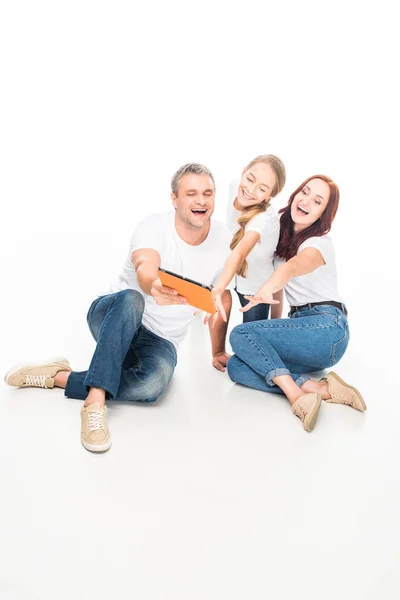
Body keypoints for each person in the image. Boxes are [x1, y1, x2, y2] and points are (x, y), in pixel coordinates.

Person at [4, 163, 233, 452]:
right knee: (132, 298)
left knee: (152, 386)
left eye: (207, 193)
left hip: (161, 340)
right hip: (115, 315)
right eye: (191, 193)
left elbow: (221, 295)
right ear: (174, 199)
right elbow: (144, 265)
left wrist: (217, 350)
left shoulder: (224, 238)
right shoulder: (153, 226)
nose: (201, 200)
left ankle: (58, 377)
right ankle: (95, 402)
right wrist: (153, 286)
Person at [225, 174, 366, 432]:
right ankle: (319, 387)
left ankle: (295, 396)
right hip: (304, 336)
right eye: (305, 192)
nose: (306, 201)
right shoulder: (280, 235)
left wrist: (266, 288)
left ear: (323, 214)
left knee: (240, 334)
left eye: (317, 201)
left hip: (327, 328)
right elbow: (279, 291)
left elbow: (292, 267)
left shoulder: (318, 244)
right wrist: (264, 336)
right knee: (237, 365)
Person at [207, 154, 286, 326]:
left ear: (269, 196)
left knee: (252, 336)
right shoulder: (235, 186)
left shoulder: (263, 219)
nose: (250, 190)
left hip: (255, 287)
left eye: (262, 189)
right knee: (216, 307)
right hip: (233, 273)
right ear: (244, 172)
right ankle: (218, 352)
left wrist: (219, 288)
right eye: (250, 179)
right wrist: (220, 287)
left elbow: (240, 252)